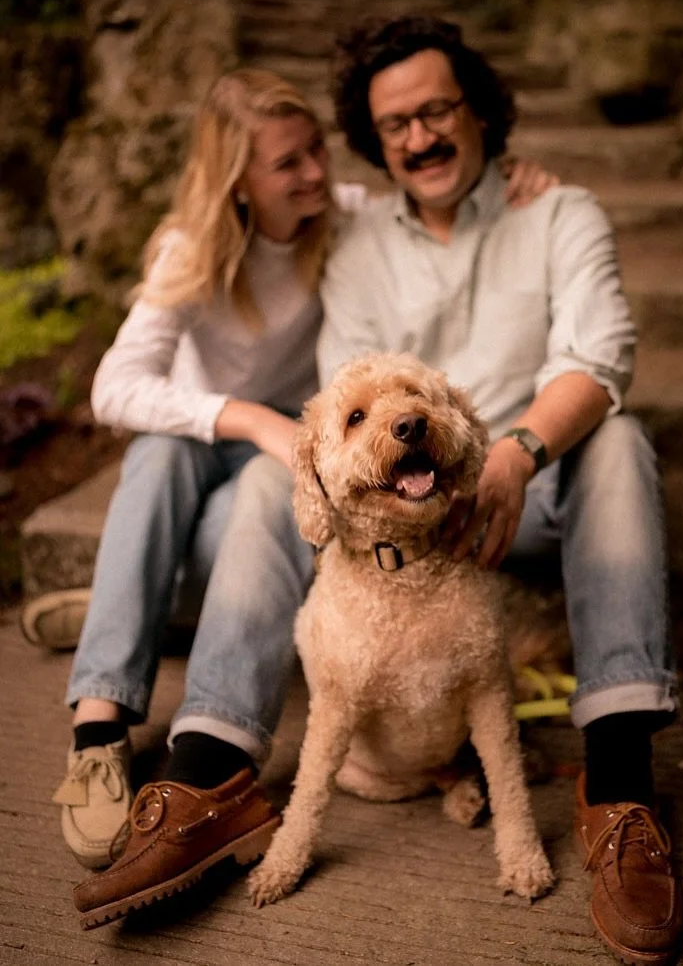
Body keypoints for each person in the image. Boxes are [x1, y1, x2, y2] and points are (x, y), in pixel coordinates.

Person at [42, 66, 554, 927]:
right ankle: (99, 730)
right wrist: (245, 418)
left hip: (289, 467)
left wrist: (512, 181)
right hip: (225, 443)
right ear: (237, 178)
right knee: (159, 458)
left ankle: (197, 719)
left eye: (316, 148)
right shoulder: (190, 250)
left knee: (255, 491)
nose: (314, 173)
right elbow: (113, 388)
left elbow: (432, 188)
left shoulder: (344, 216)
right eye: (288, 164)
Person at [313, 16, 682, 965]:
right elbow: (342, 399)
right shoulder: (356, 246)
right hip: (408, 525)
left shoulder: (560, 212)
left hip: (537, 487)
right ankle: (217, 764)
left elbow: (602, 358)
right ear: (375, 139)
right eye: (395, 125)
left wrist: (515, 452)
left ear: (480, 110)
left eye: (437, 110)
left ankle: (621, 781)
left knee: (622, 437)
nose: (421, 138)